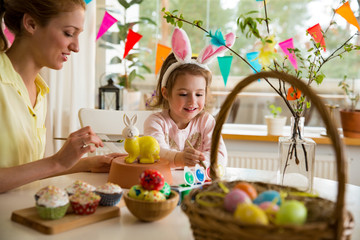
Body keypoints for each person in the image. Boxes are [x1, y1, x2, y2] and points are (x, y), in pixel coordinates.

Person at [0, 0, 123, 193]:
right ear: (31, 24)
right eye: (68, 33)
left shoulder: (40, 90)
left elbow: (26, 172)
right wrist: (57, 162)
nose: (76, 47)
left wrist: (87, 163)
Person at [144, 27, 235, 170]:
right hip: (165, 185)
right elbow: (155, 153)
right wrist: (179, 159)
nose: (192, 101)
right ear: (166, 93)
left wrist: (199, 162)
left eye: (199, 94)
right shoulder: (156, 122)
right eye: (183, 94)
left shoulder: (206, 121)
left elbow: (219, 156)